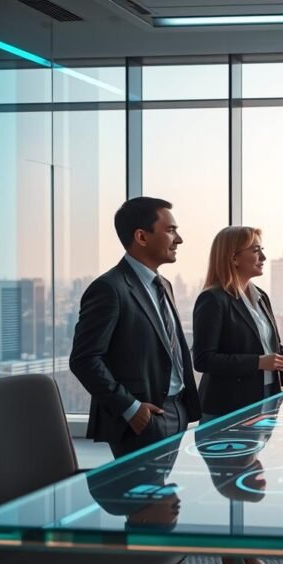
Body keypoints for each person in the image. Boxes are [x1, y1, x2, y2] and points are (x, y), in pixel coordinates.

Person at [193, 226, 283, 564]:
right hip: (226, 411)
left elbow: (276, 348)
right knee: (231, 487)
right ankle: (232, 561)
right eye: (255, 250)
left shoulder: (260, 296)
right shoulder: (213, 299)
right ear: (232, 257)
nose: (262, 257)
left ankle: (244, 551)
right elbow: (203, 358)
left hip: (263, 407)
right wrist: (257, 363)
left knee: (246, 484)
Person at [70, 197, 202, 460]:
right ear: (142, 237)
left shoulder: (164, 284)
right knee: (146, 500)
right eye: (170, 230)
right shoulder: (109, 288)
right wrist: (131, 408)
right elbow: (84, 359)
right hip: (143, 420)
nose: (179, 239)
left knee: (169, 498)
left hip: (177, 411)